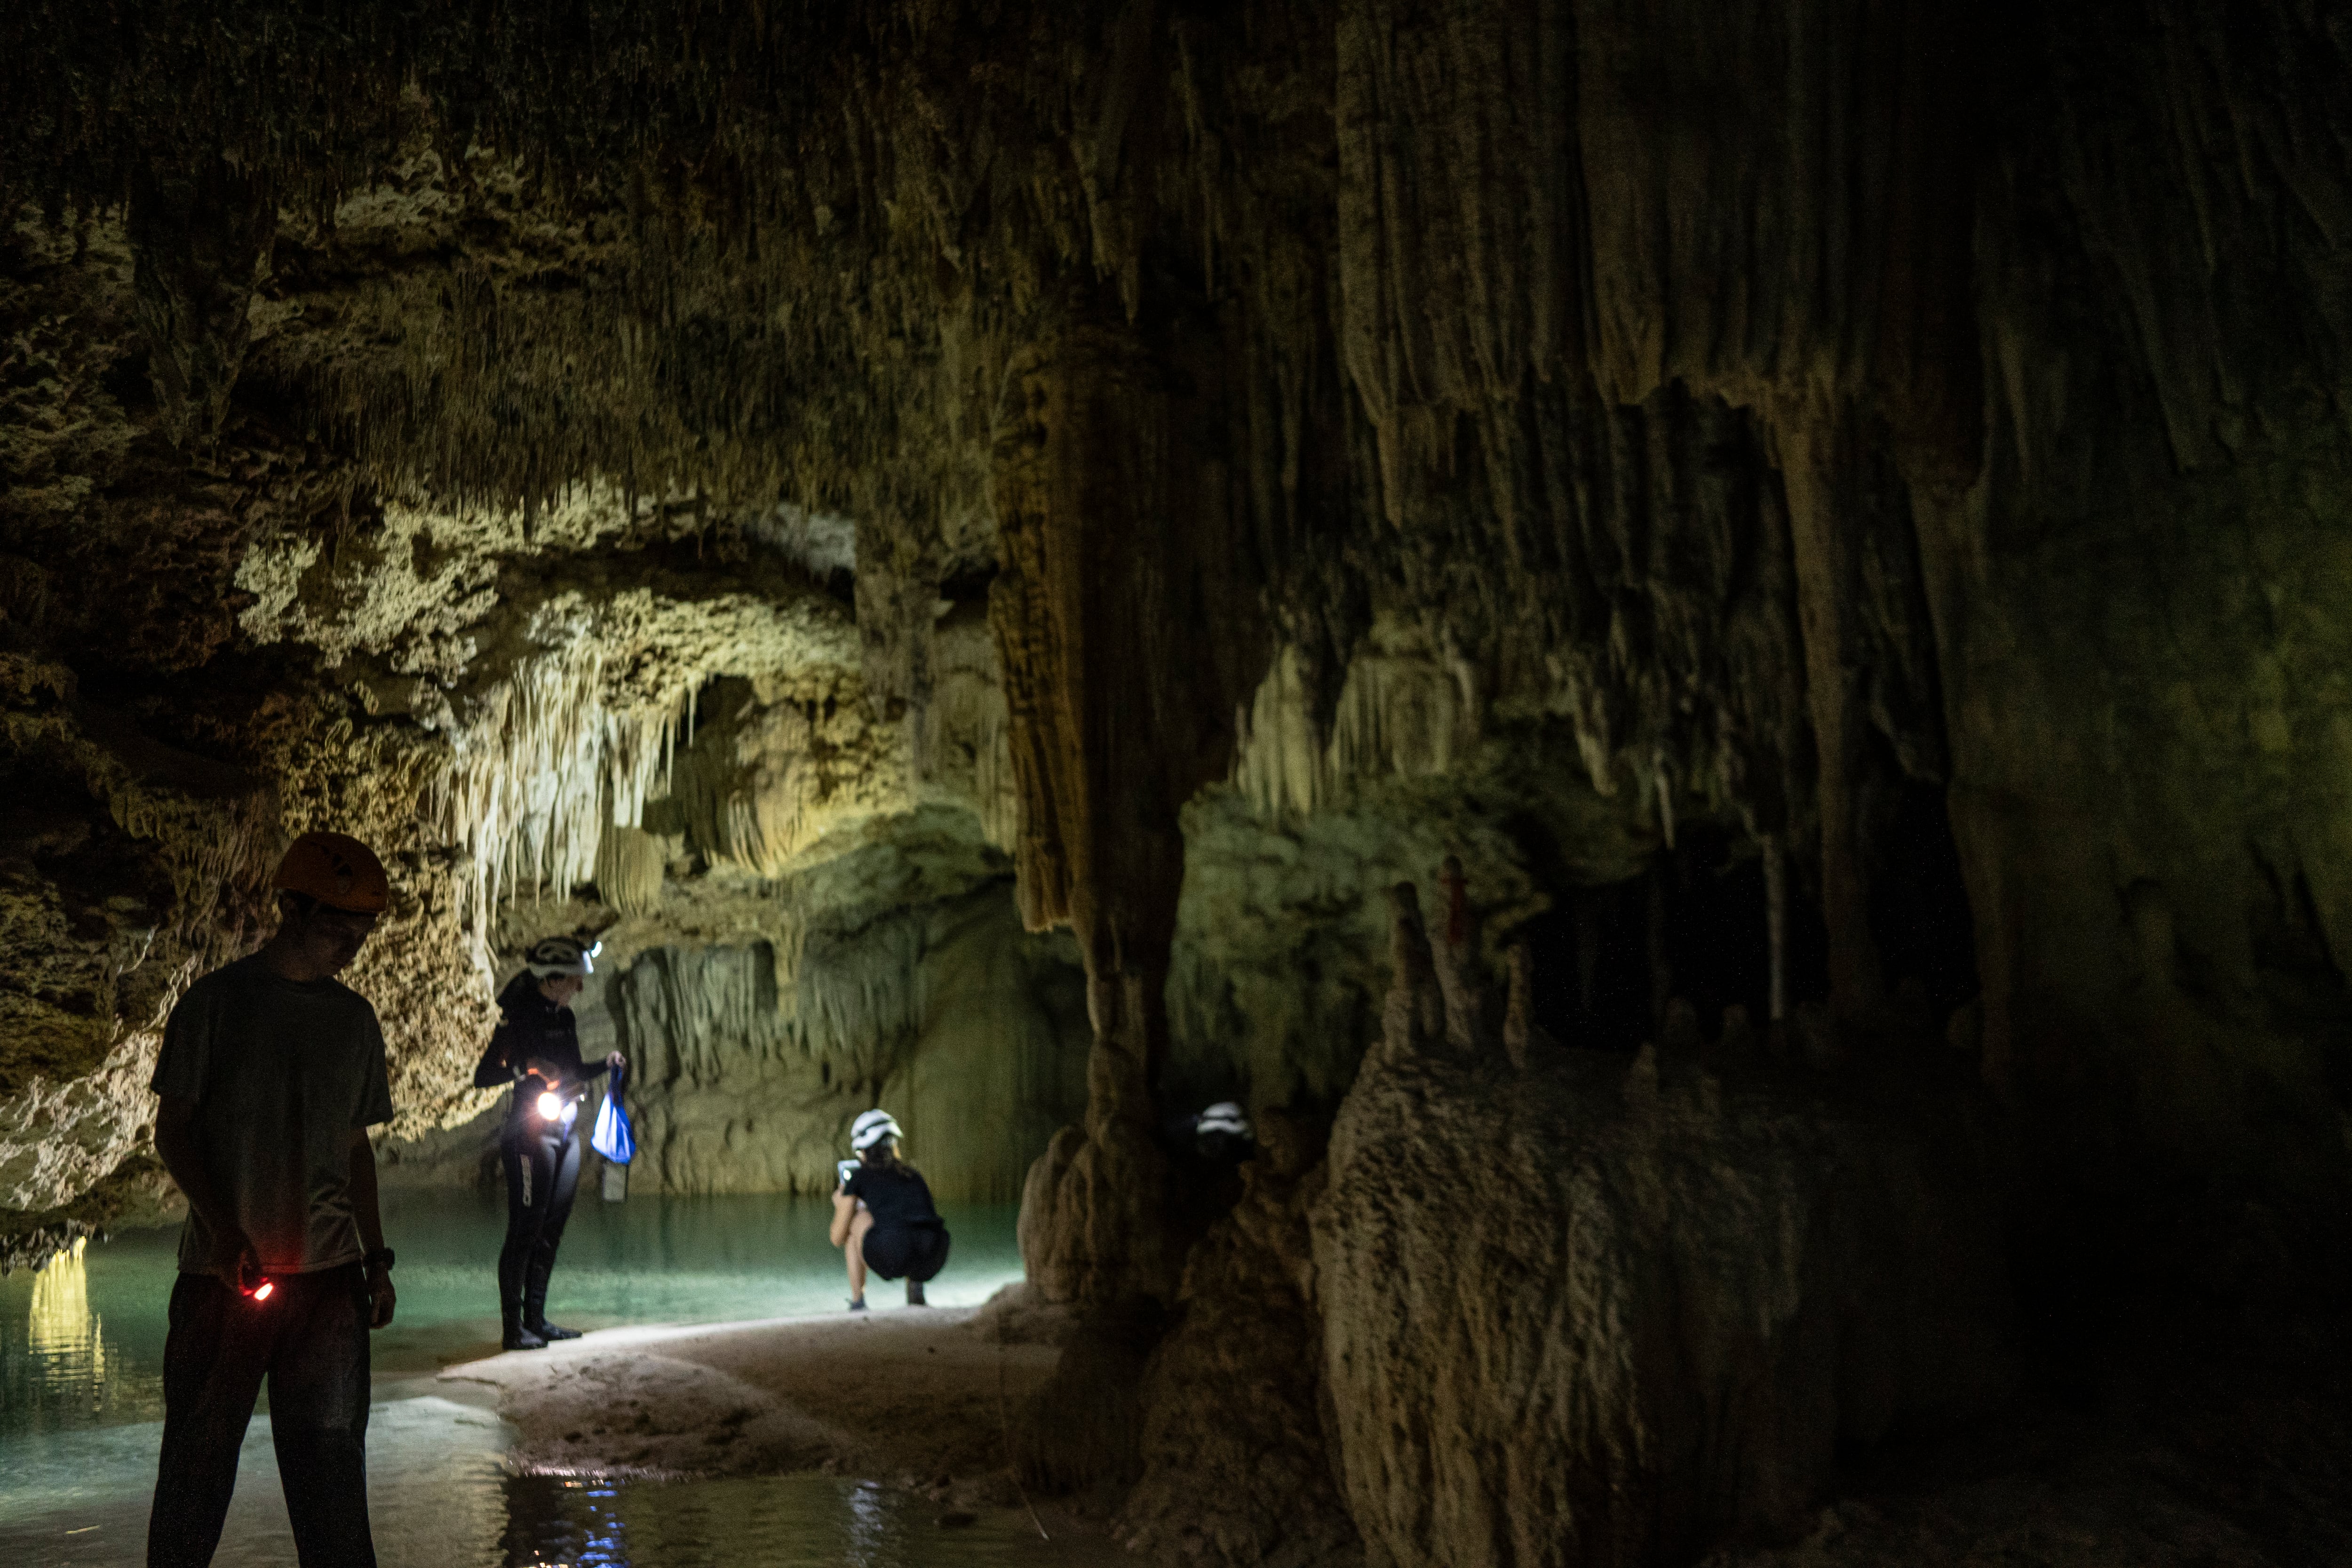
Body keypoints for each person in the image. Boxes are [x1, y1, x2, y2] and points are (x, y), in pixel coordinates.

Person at [145, 829, 399, 1568]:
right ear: (293, 909)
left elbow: (355, 1148)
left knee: (334, 1492)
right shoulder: (214, 1005)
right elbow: (173, 1131)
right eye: (339, 928)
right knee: (193, 1483)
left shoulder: (355, 1021)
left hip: (329, 1286)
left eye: (362, 933)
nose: (352, 946)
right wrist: (224, 1230)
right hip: (224, 1283)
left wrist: (376, 1260)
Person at [472, 934, 624, 1350]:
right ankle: (512, 1328)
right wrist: (529, 1066)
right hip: (528, 1135)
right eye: (575, 979)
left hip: (566, 1132)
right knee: (525, 1228)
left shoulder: (566, 1019)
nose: (580, 987)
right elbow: (484, 1075)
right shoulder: (519, 1018)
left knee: (551, 1228)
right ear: (554, 978)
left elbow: (573, 1069)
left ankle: (536, 1320)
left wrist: (605, 1064)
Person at [830, 1109, 950, 1310]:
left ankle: (858, 1303)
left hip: (893, 1256)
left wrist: (842, 1205)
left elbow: (837, 1238)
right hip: (934, 1254)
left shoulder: (860, 1178)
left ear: (862, 1149)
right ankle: (916, 1296)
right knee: (908, 1226)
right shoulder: (913, 1175)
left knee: (856, 1222)